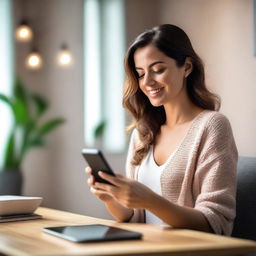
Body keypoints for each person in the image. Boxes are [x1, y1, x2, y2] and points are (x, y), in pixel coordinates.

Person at [86, 24, 238, 236]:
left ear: (186, 67)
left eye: (158, 70)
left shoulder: (212, 126)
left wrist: (149, 200)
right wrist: (111, 198)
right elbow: (134, 217)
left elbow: (215, 223)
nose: (147, 82)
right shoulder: (143, 132)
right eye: (140, 74)